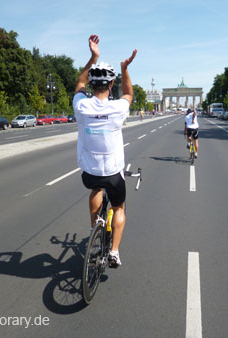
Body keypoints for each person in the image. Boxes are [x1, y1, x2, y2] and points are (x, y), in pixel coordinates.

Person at [73, 34, 137, 268]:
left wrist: (93, 56)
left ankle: (95, 229)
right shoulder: (118, 108)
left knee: (95, 189)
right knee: (119, 207)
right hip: (113, 172)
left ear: (91, 84)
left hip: (89, 173)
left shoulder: (81, 106)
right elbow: (128, 93)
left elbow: (78, 84)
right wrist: (124, 68)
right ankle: (115, 251)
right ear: (111, 85)